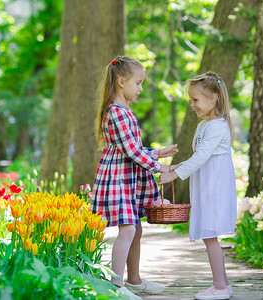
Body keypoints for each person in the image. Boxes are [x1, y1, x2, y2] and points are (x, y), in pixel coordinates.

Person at [90, 56, 179, 300]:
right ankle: (115, 287)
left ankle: (134, 281)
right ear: (121, 82)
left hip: (127, 177)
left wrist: (159, 152)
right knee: (128, 229)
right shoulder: (116, 112)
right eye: (138, 83)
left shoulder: (123, 111)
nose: (140, 88)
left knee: (136, 229)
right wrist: (159, 167)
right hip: (118, 179)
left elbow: (132, 148)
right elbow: (130, 151)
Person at [159, 72, 237, 300]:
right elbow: (199, 155)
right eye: (191, 100)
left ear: (213, 99)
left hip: (214, 187)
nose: (192, 104)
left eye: (196, 100)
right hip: (205, 184)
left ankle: (220, 286)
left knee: (210, 233)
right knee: (208, 234)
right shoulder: (205, 125)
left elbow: (202, 157)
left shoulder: (218, 126)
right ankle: (224, 284)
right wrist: (175, 167)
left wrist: (175, 176)